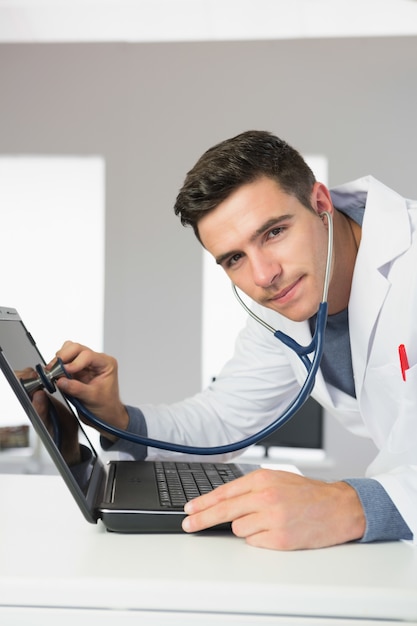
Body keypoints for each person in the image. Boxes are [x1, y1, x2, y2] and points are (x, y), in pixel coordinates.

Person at [53, 130, 416, 550]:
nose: (263, 276)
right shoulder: (280, 306)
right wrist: (115, 417)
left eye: (274, 232)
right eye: (234, 258)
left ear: (320, 203)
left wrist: (351, 505)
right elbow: (224, 421)